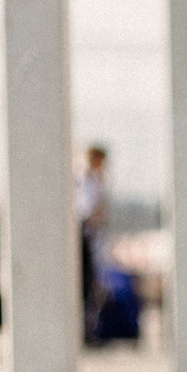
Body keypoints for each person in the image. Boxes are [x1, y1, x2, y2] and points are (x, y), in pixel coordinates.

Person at [76, 145, 110, 340]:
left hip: (91, 238)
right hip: (84, 238)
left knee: (91, 286)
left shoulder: (94, 180)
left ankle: (90, 329)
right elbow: (86, 211)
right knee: (86, 285)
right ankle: (86, 330)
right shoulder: (84, 179)